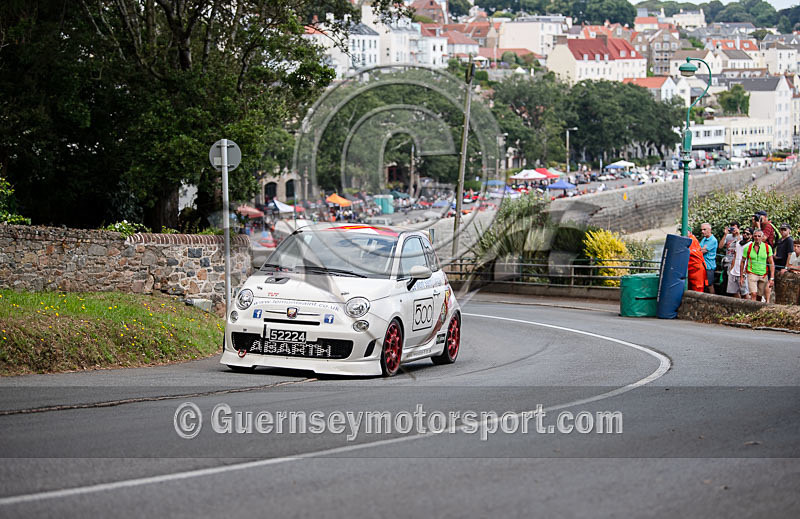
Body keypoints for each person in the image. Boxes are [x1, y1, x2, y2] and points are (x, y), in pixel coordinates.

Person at [740, 229, 775, 302]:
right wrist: (741, 276)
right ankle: (752, 309)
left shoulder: (767, 247)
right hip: (751, 273)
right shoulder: (748, 248)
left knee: (760, 295)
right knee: (753, 294)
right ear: (753, 237)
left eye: (759, 236)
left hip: (763, 274)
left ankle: (757, 311)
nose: (757, 238)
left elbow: (771, 263)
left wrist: (772, 278)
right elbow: (742, 262)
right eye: (755, 236)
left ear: (762, 237)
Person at [727, 227, 751, 298]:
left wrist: (745, 272)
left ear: (751, 236)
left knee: (745, 293)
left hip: (743, 272)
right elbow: (735, 256)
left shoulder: (751, 245)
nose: (745, 235)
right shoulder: (738, 243)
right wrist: (731, 269)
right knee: (733, 292)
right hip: (734, 271)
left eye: (747, 233)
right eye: (744, 233)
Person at [699, 222, 718, 294]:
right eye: (701, 230)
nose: (702, 231)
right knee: (703, 284)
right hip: (703, 265)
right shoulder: (704, 239)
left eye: (704, 229)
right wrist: (701, 249)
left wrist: (701, 249)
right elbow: (699, 249)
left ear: (709, 230)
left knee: (709, 284)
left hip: (709, 266)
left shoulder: (713, 240)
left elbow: (702, 251)